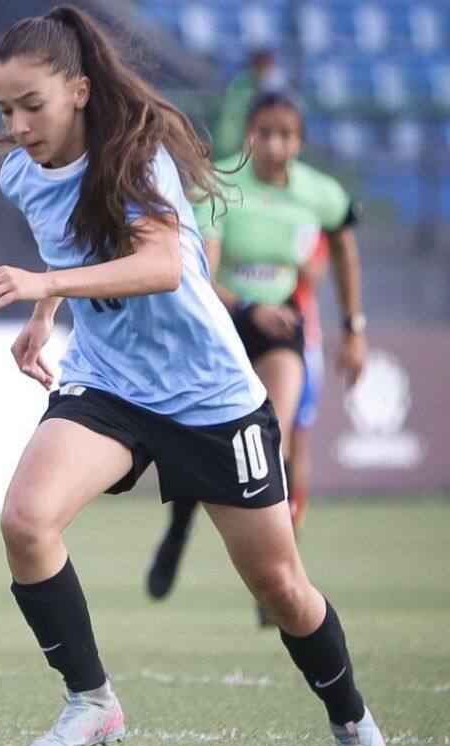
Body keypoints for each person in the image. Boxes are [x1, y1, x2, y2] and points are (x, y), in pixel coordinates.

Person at [0, 6, 391, 746]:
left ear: (82, 91)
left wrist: (44, 284)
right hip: (111, 382)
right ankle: (92, 699)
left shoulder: (138, 153)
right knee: (26, 522)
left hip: (211, 397)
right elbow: (67, 246)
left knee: (282, 589)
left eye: (33, 106)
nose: (18, 126)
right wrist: (43, 315)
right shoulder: (21, 174)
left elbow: (159, 264)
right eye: (5, 110)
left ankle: (352, 719)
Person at [147, 92, 369, 619]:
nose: (275, 145)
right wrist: (249, 306)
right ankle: (179, 528)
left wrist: (353, 327)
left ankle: (280, 574)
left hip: (280, 332)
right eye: (265, 133)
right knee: (201, 441)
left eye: (286, 135)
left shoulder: (319, 193)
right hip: (219, 327)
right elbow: (201, 274)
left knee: (273, 434)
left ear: (300, 140)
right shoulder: (220, 183)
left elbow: (343, 243)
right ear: (248, 134)